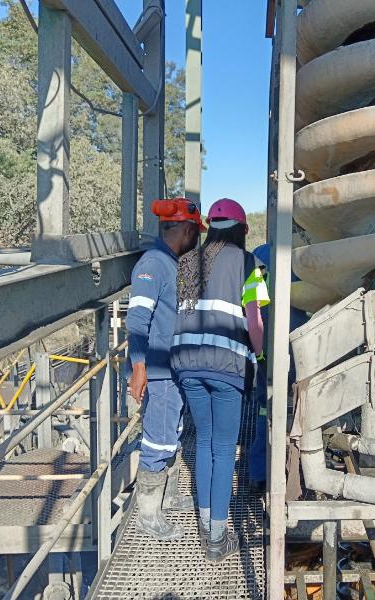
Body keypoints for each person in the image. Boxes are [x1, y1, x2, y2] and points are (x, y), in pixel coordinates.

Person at [171, 198, 270, 562]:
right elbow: (254, 321)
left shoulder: (186, 262)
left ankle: (205, 524)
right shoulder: (250, 264)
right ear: (243, 230)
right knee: (225, 448)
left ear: (210, 228)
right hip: (227, 365)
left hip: (188, 365)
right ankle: (216, 538)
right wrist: (259, 355)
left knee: (205, 442)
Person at [127, 199, 205, 541]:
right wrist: (139, 366)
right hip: (157, 370)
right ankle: (148, 514)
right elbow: (137, 320)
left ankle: (166, 497)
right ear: (187, 230)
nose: (198, 239)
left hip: (173, 367)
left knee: (171, 430)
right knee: (157, 437)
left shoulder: (172, 263)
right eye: (196, 233)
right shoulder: (153, 265)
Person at [247, 243, 308, 493]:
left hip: (267, 345)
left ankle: (260, 472)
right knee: (303, 406)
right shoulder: (311, 253)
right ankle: (299, 470)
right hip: (303, 345)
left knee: (267, 405)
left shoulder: (260, 255)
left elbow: (251, 302)